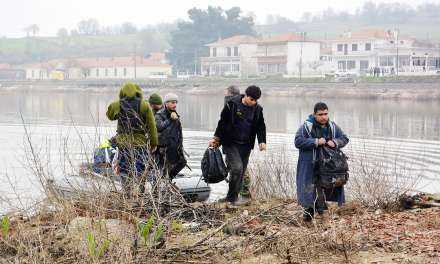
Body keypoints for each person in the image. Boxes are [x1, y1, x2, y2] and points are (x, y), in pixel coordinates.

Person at [209, 85, 266, 205]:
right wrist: (216, 138)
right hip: (230, 142)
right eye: (252, 99)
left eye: (256, 100)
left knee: (241, 171)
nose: (253, 102)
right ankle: (232, 198)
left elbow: (261, 126)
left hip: (246, 144)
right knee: (237, 168)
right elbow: (222, 122)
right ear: (245, 96)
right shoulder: (232, 104)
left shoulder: (258, 109)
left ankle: (232, 198)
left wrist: (262, 141)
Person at [294, 102, 349, 221]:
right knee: (308, 189)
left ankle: (322, 213)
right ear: (314, 115)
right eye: (320, 114)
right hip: (309, 164)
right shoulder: (306, 126)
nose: (324, 117)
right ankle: (308, 216)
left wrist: (335, 142)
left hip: (328, 166)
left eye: (326, 114)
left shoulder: (333, 126)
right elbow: (298, 141)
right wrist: (315, 142)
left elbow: (344, 138)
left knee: (326, 188)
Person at [106, 83, 158, 195]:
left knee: (124, 169)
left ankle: (127, 192)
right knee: (140, 169)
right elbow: (152, 126)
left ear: (122, 92)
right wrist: (154, 143)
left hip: (124, 145)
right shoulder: (144, 105)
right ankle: (140, 192)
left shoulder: (118, 105)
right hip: (140, 145)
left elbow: (110, 116)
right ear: (138, 92)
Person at [155, 93, 187, 179]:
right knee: (165, 168)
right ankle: (164, 182)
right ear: (166, 103)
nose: (175, 105)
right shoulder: (160, 114)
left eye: (176, 102)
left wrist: (180, 145)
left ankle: (169, 179)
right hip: (165, 147)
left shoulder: (174, 113)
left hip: (175, 146)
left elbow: (178, 131)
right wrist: (170, 119)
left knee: (182, 162)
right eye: (172, 102)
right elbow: (159, 127)